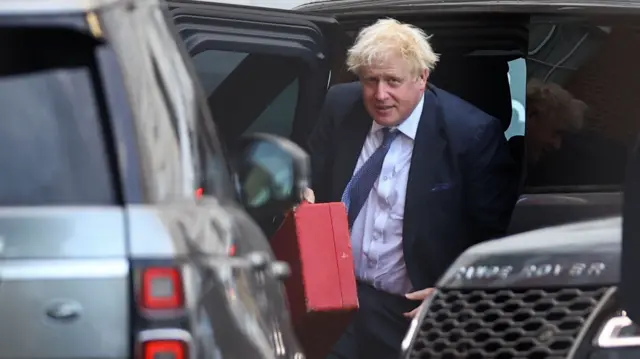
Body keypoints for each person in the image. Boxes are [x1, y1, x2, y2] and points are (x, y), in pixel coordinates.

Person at [305, 18, 520, 359]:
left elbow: (492, 239)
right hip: (337, 301)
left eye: (393, 81)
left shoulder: (470, 134)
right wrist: (300, 195)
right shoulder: (341, 106)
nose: (380, 94)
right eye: (370, 81)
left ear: (422, 78)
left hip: (412, 312)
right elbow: (309, 176)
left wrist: (454, 293)